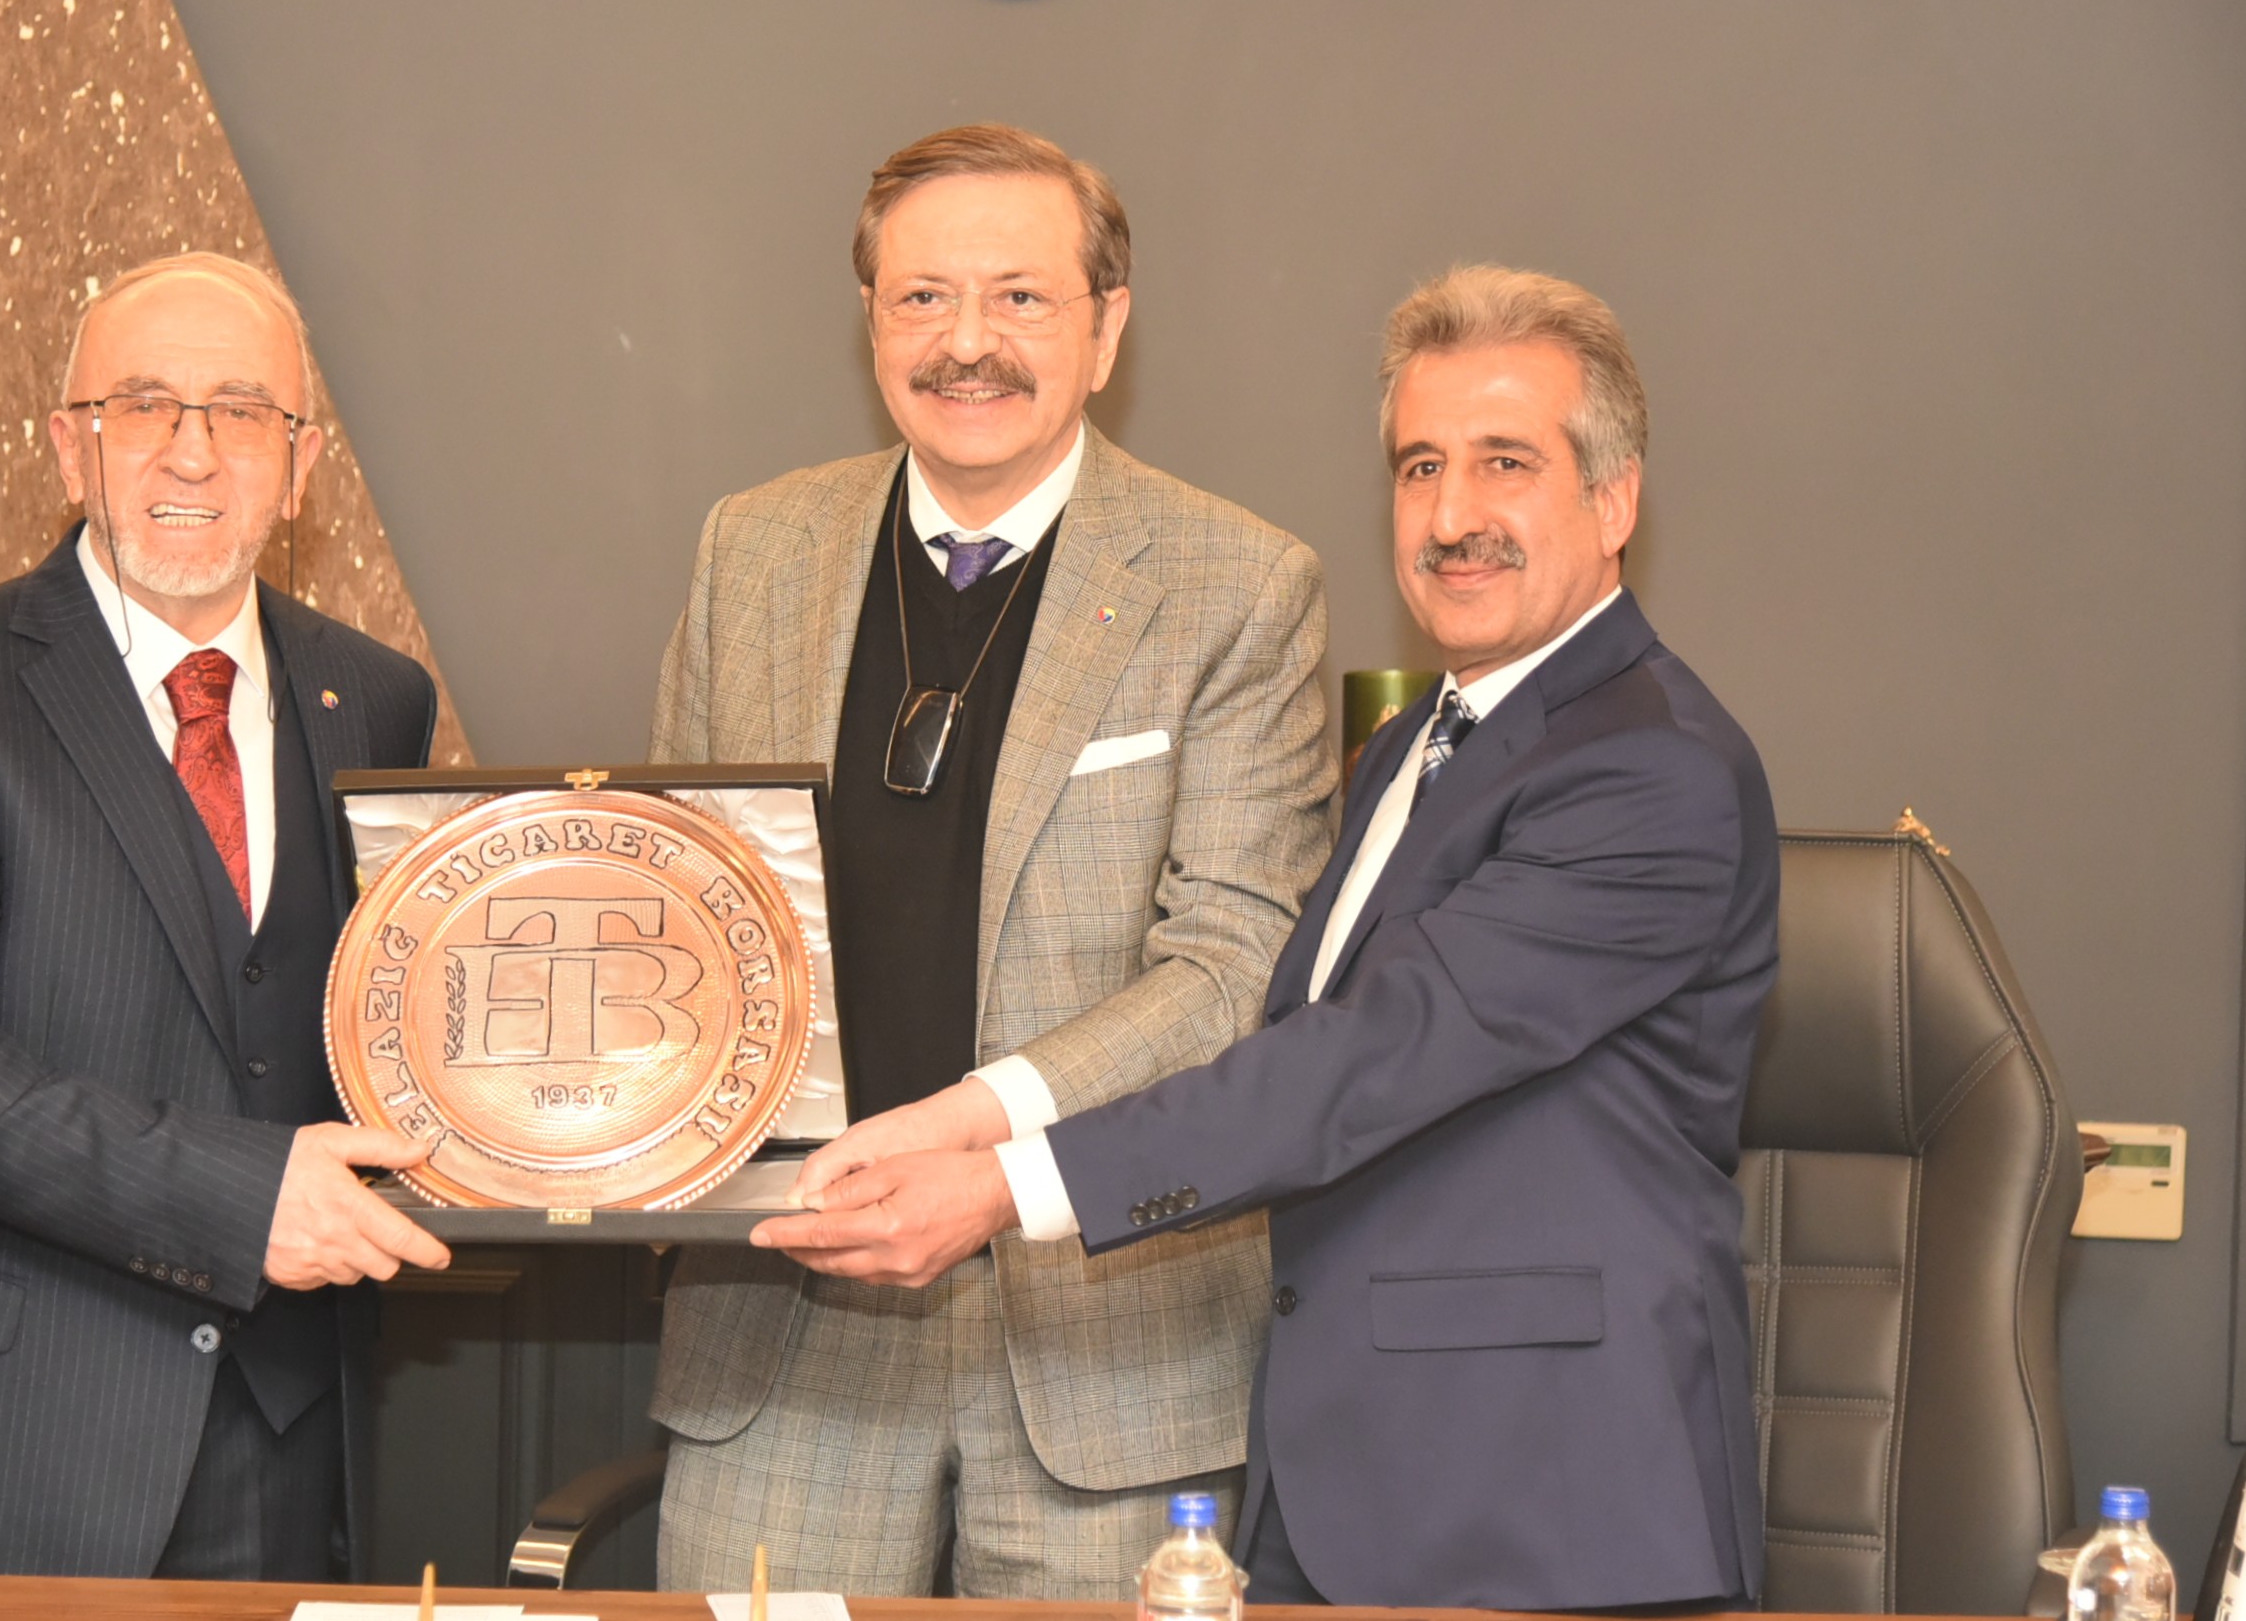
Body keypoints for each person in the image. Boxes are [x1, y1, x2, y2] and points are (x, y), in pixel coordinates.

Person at [766, 265, 1775, 1613]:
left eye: (1506, 463)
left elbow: (1367, 1059)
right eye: (1420, 468)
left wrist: (1004, 1185)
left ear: (1615, 499)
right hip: (1347, 1477)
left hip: (1545, 1506)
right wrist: (964, 1124)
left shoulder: (1652, 770)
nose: (1452, 517)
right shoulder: (1415, 748)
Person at [648, 124, 1337, 1598]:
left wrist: (977, 1141)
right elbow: (675, 914)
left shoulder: (1239, 584)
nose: (968, 343)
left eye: (1021, 297)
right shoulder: (751, 552)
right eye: (922, 298)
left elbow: (1230, 969)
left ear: (1108, 327)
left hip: (1105, 1342)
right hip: (788, 1321)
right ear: (871, 320)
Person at [0, 253, 453, 1580]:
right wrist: (239, 1199)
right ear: (71, 449)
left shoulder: (376, 697)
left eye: (242, 412)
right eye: (143, 405)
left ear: (301, 467)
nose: (192, 451)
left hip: (284, 1442)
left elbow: (383, 1020)